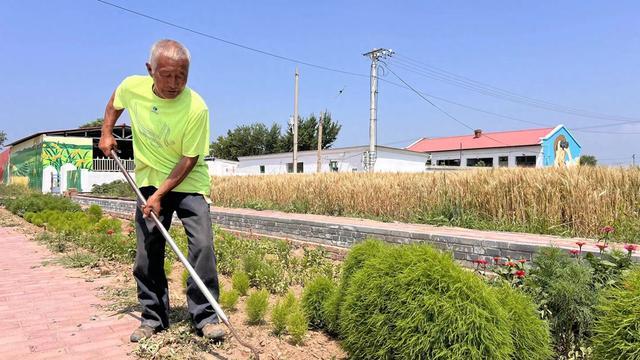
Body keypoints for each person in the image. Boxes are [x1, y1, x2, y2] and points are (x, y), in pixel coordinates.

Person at [98, 39, 224, 342]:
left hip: (189, 182)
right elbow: (116, 101)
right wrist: (106, 132)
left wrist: (159, 196)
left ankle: (205, 317)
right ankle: (153, 318)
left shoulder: (196, 107)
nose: (174, 83)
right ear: (149, 69)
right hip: (148, 180)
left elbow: (189, 159)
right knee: (147, 251)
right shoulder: (133, 86)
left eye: (182, 76)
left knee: (203, 246)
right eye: (166, 74)